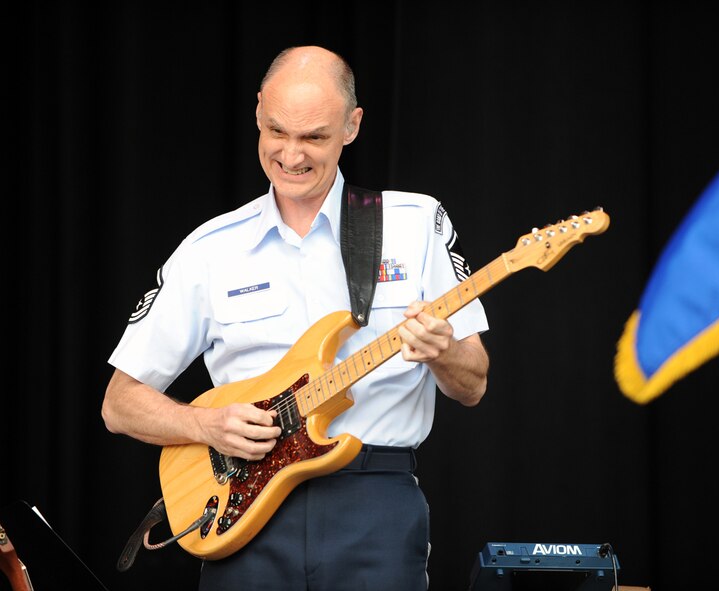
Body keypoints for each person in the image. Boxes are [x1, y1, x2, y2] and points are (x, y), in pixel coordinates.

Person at [101, 45, 490, 591]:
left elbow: (473, 384)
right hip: (243, 509)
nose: (291, 154)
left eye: (314, 137)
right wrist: (206, 424)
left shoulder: (413, 222)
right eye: (277, 131)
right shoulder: (210, 248)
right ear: (258, 113)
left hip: (373, 503)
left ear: (352, 126)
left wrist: (444, 350)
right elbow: (119, 404)